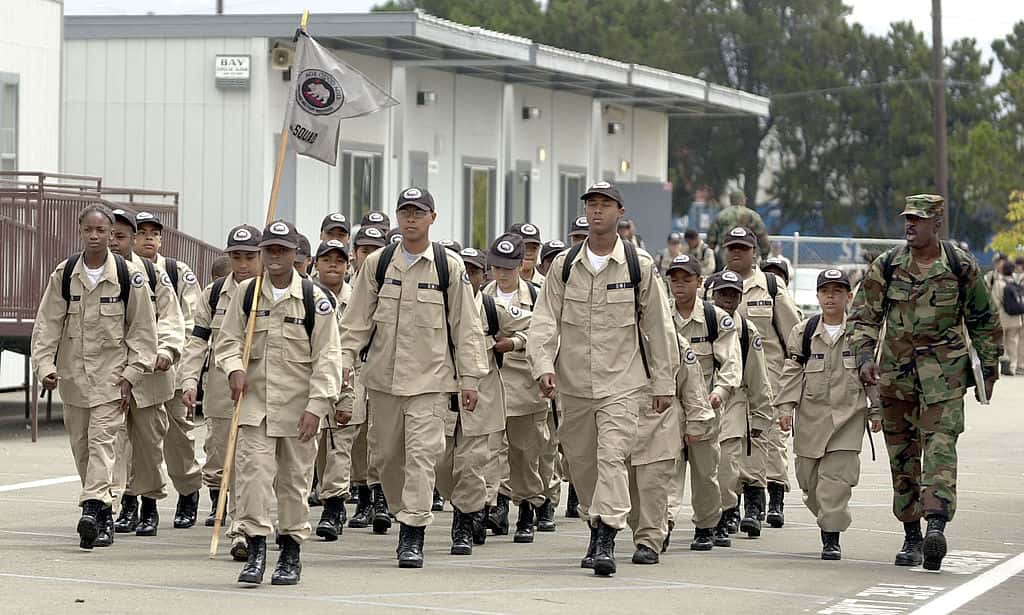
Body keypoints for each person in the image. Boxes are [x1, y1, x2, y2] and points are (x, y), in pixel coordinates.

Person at [528, 181, 678, 577]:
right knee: (581, 462)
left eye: (605, 205)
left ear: (619, 212)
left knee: (612, 457)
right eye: (591, 204)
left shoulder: (637, 265)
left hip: (622, 384)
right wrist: (542, 365)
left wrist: (663, 383)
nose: (597, 211)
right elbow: (544, 322)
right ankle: (599, 521)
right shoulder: (563, 265)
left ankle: (605, 536)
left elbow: (659, 328)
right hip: (573, 384)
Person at [847, 194, 1002, 571]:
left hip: (944, 378)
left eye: (918, 220)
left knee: (940, 449)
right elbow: (863, 318)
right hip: (895, 379)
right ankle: (911, 535)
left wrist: (990, 368)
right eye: (907, 219)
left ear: (937, 223)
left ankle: (936, 525)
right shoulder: (886, 266)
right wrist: (864, 358)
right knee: (902, 458)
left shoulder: (959, 265)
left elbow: (984, 319)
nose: (909, 226)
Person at [339, 187, 489, 568]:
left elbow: (466, 326)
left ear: (432, 218)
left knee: (423, 458)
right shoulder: (378, 263)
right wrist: (342, 359)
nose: (411, 219)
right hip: (383, 381)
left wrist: (469, 378)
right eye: (405, 211)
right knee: (387, 458)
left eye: (418, 212)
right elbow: (356, 320)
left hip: (431, 382)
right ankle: (400, 508)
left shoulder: (447, 266)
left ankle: (412, 532)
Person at [215, 219, 342, 585]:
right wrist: (234, 368)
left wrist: (317, 406)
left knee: (294, 485)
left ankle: (290, 553)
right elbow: (227, 340)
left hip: (299, 409)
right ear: (261, 253)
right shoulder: (247, 295)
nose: (274, 256)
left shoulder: (314, 298)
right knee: (253, 480)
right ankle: (255, 550)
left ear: (295, 255)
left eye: (282, 250)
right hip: (255, 406)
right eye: (269, 249)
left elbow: (328, 357)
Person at [31, 203, 158, 550]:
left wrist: (132, 374)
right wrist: (45, 367)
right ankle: (103, 515)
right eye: (89, 230)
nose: (95, 236)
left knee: (104, 445)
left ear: (110, 234)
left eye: (102, 231)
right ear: (80, 231)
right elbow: (47, 326)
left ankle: (91, 508)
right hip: (73, 381)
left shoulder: (129, 276)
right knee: (83, 449)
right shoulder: (65, 273)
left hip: (111, 381)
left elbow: (143, 332)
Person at [776, 269, 882, 560]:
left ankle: (831, 539)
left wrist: (876, 410)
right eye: (826, 291)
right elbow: (791, 372)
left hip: (848, 420)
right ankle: (827, 518)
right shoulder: (804, 332)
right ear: (818, 296)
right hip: (811, 420)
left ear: (849, 297)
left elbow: (872, 375)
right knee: (809, 484)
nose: (831, 297)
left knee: (835, 483)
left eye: (838, 291)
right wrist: (785, 408)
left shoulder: (861, 335)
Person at [179, 224, 262, 562]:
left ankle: (241, 530)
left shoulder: (272, 292)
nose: (242, 264)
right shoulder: (213, 294)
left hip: (262, 388)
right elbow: (198, 342)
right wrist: (188, 382)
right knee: (219, 455)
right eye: (236, 257)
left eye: (249, 257)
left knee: (250, 460)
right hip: (220, 390)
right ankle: (225, 509)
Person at [434, 246, 521, 555]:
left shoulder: (491, 307)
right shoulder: (437, 305)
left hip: (481, 401)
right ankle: (466, 505)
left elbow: (532, 325)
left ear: (482, 276)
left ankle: (464, 522)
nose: (467, 277)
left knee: (471, 465)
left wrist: (513, 342)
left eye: (473, 272)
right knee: (441, 464)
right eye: (463, 271)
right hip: (444, 399)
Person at [108, 208, 186, 539]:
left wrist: (167, 351)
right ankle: (124, 503)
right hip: (112, 373)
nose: (114, 241)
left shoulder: (155, 275)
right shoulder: (95, 272)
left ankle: (150, 504)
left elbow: (172, 316)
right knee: (115, 443)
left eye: (122, 235)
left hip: (151, 375)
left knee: (149, 445)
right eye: (111, 233)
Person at [720, 226, 801, 529]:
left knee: (769, 441)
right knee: (731, 445)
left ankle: (770, 499)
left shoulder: (770, 286)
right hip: (728, 382)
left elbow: (794, 335)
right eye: (731, 247)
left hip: (769, 379)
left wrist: (794, 380)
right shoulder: (713, 287)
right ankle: (736, 506)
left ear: (754, 252)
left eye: (742, 247)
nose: (736, 252)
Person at [664, 255, 742, 551]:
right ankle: (664, 523)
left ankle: (707, 524)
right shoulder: (660, 316)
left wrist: (720, 392)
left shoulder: (715, 319)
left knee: (705, 472)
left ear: (700, 282)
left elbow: (731, 363)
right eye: (674, 279)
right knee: (665, 469)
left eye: (686, 279)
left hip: (704, 408)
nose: (679, 285)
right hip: (668, 407)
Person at [133, 211, 206, 528]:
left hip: (171, 369)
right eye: (142, 232)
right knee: (137, 439)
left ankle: (188, 492)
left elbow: (191, 324)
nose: (149, 237)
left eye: (154, 233)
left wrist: (173, 354)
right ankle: (133, 499)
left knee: (178, 437)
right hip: (136, 373)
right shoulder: (124, 271)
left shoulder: (178, 272)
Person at [482, 233, 551, 542]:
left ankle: (528, 506)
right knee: (490, 451)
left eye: (508, 268)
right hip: (491, 383)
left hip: (524, 385)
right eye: (497, 268)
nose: (502, 274)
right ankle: (494, 507)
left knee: (524, 454)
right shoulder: (482, 295)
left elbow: (546, 336)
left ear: (521, 264)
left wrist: (515, 342)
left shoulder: (537, 296)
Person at [708, 271, 774, 538]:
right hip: (693, 404)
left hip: (732, 405)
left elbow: (758, 378)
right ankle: (705, 518)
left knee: (726, 465)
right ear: (713, 295)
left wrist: (761, 418)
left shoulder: (747, 331)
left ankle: (725, 513)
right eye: (722, 294)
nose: (727, 300)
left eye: (733, 295)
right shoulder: (701, 323)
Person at [343, 224, 389, 531]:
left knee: (382, 435)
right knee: (357, 435)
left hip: (385, 367)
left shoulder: (390, 278)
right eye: (364, 250)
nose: (369, 255)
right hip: (356, 368)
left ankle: (381, 496)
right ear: (355, 254)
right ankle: (362, 495)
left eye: (375, 249)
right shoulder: (347, 285)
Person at [310, 240, 355, 541]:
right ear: (316, 263)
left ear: (348, 266)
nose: (333, 265)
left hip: (349, 376)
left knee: (342, 440)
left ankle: (334, 506)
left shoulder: (358, 298)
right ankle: (324, 494)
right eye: (327, 259)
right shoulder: (306, 295)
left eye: (339, 260)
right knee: (318, 447)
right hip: (311, 376)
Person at [706, 191, 771, 260]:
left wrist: (710, 257)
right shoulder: (753, 215)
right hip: (748, 254)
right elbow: (763, 238)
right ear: (743, 200)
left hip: (726, 254)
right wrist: (764, 256)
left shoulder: (721, 216)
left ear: (731, 200)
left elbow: (711, 239)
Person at [990, 260, 1023, 377]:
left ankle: (1003, 365)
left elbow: (994, 302)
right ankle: (1013, 366)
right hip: (1015, 318)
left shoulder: (999, 284)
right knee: (1013, 342)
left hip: (1002, 318)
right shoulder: (1015, 283)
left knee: (1001, 342)